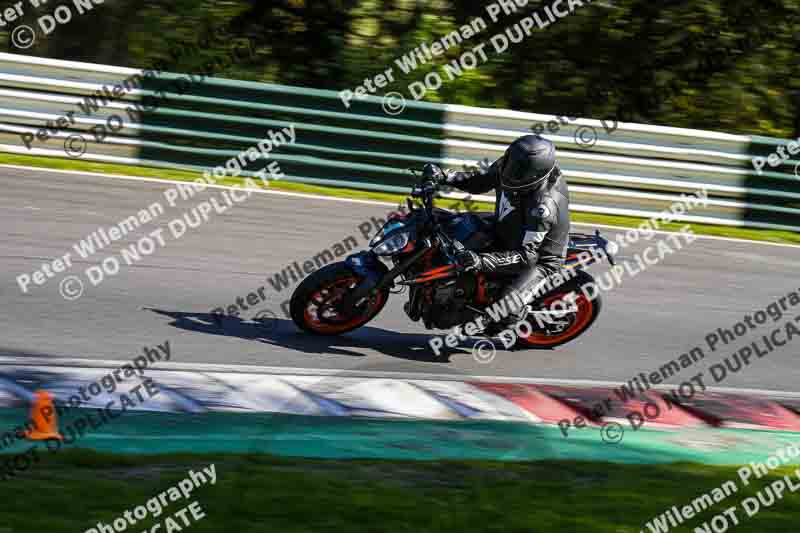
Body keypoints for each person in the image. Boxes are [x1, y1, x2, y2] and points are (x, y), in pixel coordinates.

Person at [442, 134, 570, 329]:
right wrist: (446, 177)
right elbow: (481, 182)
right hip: (507, 226)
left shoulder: (542, 208)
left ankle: (514, 319)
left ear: (535, 176)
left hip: (540, 257)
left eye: (518, 172)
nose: (509, 173)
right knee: (451, 226)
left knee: (503, 311)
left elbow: (528, 256)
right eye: (510, 163)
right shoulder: (509, 165)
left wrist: (482, 261)